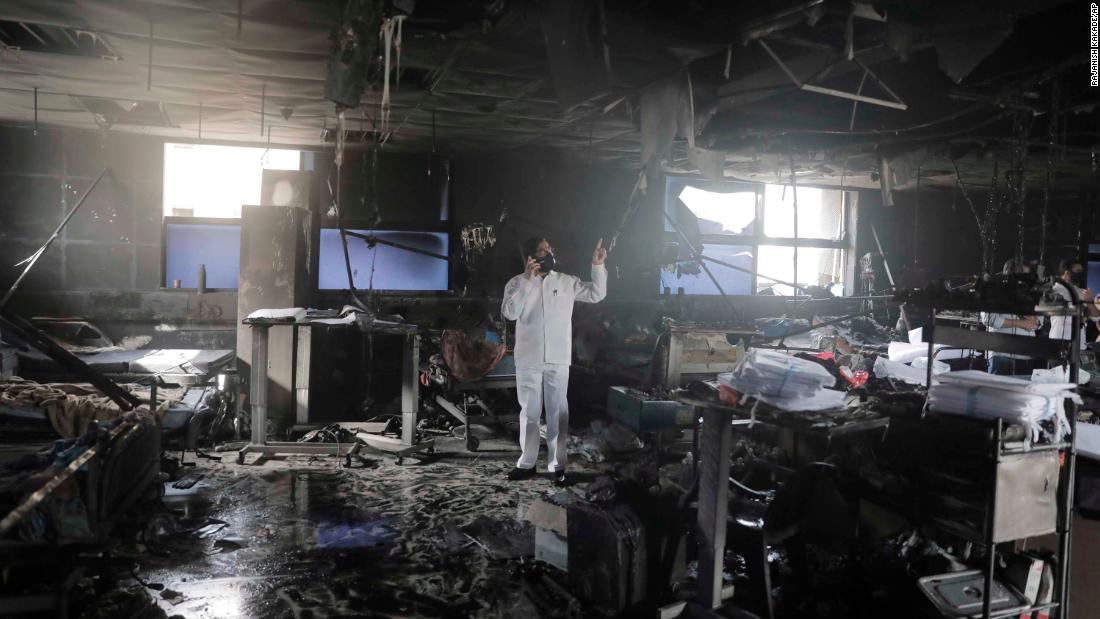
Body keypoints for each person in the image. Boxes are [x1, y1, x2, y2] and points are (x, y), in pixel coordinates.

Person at [501, 236, 607, 486]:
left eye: (549, 249)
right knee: (530, 413)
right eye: (541, 250)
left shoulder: (566, 281)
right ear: (531, 256)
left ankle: (557, 466)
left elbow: (597, 293)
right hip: (529, 357)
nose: (547, 253)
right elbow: (510, 312)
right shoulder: (517, 283)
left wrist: (597, 265)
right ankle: (526, 464)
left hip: (558, 358)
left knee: (558, 412)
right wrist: (528, 280)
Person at [982, 259, 1040, 375]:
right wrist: (1021, 323)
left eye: (1027, 276)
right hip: (1001, 354)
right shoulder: (993, 289)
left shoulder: (1029, 293)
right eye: (1023, 275)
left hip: (1026, 356)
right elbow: (988, 319)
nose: (1025, 280)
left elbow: (1037, 322)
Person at [1049, 258, 1100, 374]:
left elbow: (1096, 316)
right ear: (1067, 273)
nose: (1080, 275)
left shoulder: (1082, 292)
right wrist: (1081, 307)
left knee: (1078, 382)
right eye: (1077, 272)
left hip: (1079, 346)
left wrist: (1089, 301)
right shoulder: (1054, 289)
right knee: (1058, 382)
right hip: (1059, 344)